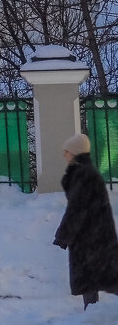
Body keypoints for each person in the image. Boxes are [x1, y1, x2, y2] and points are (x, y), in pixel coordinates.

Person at [54, 133, 118, 310]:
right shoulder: (83, 171)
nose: (64, 154)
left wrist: (63, 236)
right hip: (94, 234)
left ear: (75, 152)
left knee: (98, 276)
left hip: (91, 237)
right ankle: (92, 314)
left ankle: (92, 314)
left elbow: (77, 208)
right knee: (95, 277)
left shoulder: (83, 173)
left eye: (67, 151)